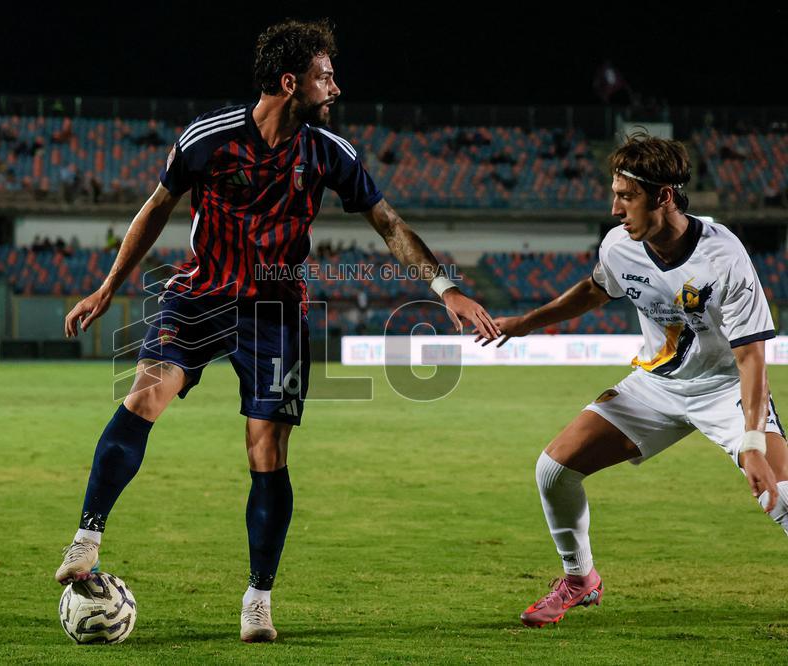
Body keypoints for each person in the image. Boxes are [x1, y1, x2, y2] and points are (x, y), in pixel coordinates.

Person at [55, 18, 500, 643]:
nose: (336, 87)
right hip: (202, 293)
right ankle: (87, 537)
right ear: (291, 82)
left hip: (277, 315)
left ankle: (258, 599)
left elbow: (388, 222)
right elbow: (155, 209)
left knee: (267, 453)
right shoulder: (208, 139)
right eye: (326, 75)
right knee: (143, 396)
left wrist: (444, 287)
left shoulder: (327, 152)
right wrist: (108, 286)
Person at [480, 132, 786, 628]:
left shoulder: (724, 255)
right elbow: (594, 290)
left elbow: (752, 357)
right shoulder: (620, 246)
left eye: (626, 196)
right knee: (553, 469)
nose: (615, 207)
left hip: (725, 390)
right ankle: (580, 580)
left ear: (662, 196)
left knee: (780, 497)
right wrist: (526, 322)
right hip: (658, 386)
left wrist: (751, 439)